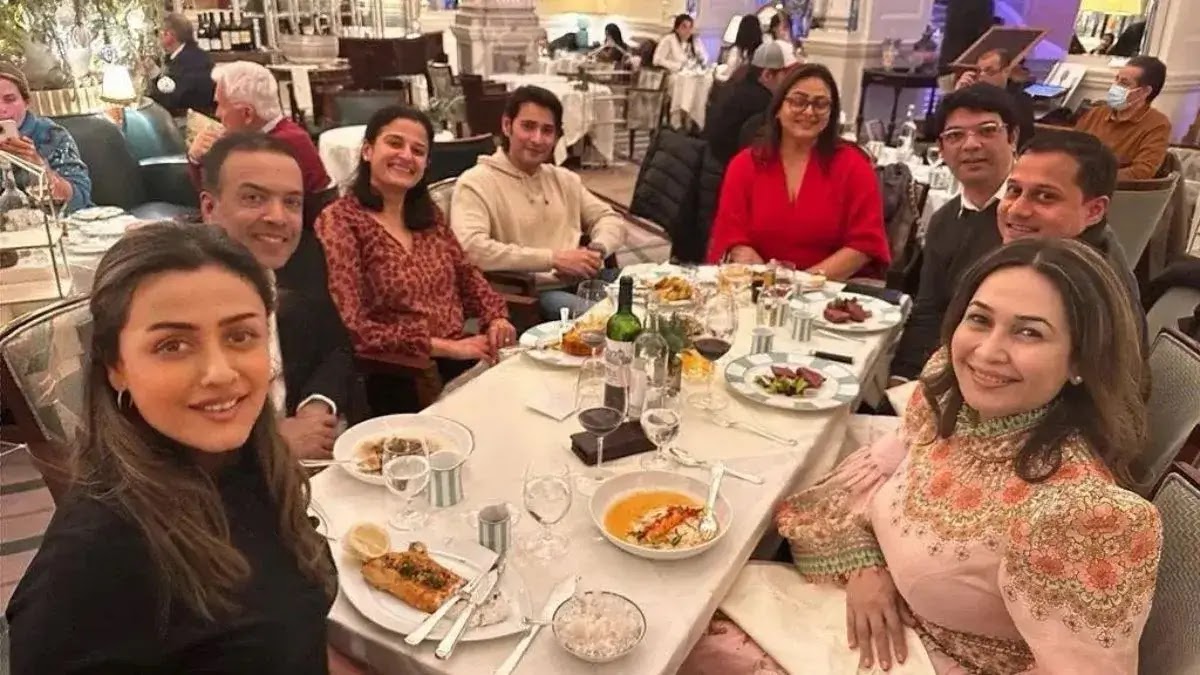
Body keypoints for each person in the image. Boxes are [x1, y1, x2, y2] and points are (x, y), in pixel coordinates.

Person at [682, 237, 1162, 675]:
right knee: (689, 599)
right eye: (980, 319)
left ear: (1081, 360)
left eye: (1029, 333)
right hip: (880, 627)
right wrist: (869, 567)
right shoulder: (956, 405)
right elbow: (868, 496)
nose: (987, 352)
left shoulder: (1078, 514)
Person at [5, 222, 344, 673]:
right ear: (116, 367)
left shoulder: (252, 465)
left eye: (240, 335)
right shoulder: (89, 567)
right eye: (173, 345)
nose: (220, 372)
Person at [893, 127, 1144, 379]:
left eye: (1045, 196)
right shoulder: (1038, 251)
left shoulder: (1088, 294)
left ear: (1094, 211)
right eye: (1013, 190)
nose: (1016, 210)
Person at [314, 106, 516, 414]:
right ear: (367, 150)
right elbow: (351, 326)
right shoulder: (340, 222)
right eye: (395, 143)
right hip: (400, 373)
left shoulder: (428, 216)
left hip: (461, 355)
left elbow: (467, 274)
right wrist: (444, 347)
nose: (406, 156)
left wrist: (496, 316)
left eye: (418, 150)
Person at [200, 132, 360, 459]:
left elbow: (336, 349)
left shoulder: (302, 264)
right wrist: (271, 443)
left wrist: (316, 406)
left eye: (291, 202)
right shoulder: (175, 302)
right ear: (210, 208)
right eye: (253, 198)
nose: (277, 217)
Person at [451, 86, 627, 319]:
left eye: (547, 130)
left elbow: (609, 218)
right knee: (610, 320)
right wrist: (553, 259)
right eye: (528, 126)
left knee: (653, 290)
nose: (537, 139)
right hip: (532, 293)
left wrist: (597, 249)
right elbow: (471, 248)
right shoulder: (476, 182)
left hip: (584, 280)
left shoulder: (563, 179)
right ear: (507, 125)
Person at [707, 64, 891, 280]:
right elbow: (731, 236)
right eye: (798, 101)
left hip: (832, 289)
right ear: (778, 108)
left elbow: (864, 244)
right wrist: (767, 280)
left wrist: (801, 283)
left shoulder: (854, 166)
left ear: (831, 113)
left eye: (820, 104)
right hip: (757, 284)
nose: (809, 111)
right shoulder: (745, 165)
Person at [892, 84, 1018, 379]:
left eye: (987, 131)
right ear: (942, 148)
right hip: (951, 367)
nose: (971, 145)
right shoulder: (945, 219)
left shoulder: (1031, 217)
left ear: (1013, 137)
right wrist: (901, 378)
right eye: (955, 135)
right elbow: (928, 310)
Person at [188, 61, 330, 197]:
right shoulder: (273, 135)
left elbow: (221, 199)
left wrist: (200, 160)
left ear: (247, 114)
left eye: (220, 105)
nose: (217, 113)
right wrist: (196, 158)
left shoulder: (277, 147)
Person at [0, 63, 91, 214]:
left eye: (9, 99)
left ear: (26, 102)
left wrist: (39, 168)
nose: (1, 109)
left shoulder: (52, 136)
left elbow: (80, 198)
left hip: (58, 221)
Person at [1073, 55, 1171, 181]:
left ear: (1144, 92)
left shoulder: (1157, 125)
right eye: (1116, 79)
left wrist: (1097, 179)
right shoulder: (1095, 114)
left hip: (1114, 189)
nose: (1115, 86)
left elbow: (1142, 171)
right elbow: (1069, 151)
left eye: (1124, 83)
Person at [706, 42, 794, 164]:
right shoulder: (763, 102)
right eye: (784, 74)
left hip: (712, 157)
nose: (787, 80)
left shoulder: (737, 84)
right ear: (767, 75)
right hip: (729, 165)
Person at [954, 48, 1035, 147]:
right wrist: (957, 95)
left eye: (989, 71)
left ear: (1006, 72)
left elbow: (1024, 137)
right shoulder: (971, 96)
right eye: (979, 71)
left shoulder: (1021, 99)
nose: (982, 77)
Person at [148, 12, 215, 116]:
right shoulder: (182, 55)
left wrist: (153, 75)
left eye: (157, 33)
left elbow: (173, 99)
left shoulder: (192, 60)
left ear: (169, 35)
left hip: (193, 118)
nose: (155, 38)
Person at [715, 15, 764, 83]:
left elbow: (730, 73)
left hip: (737, 85)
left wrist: (717, 74)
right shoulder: (762, 51)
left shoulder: (737, 51)